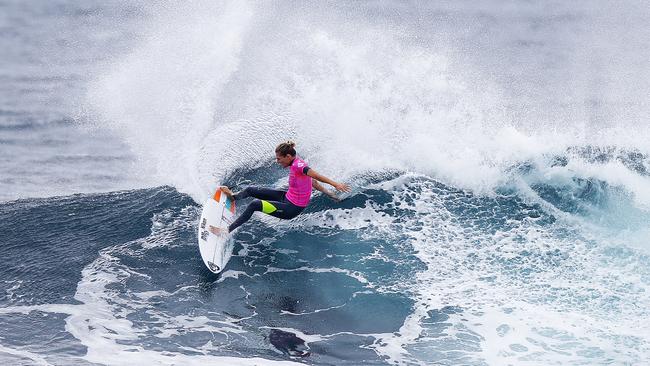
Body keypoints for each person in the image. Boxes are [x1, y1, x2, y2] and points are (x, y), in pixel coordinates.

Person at [209, 141, 351, 235]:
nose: (277, 161)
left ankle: (225, 231)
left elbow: (315, 175)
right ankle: (233, 197)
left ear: (288, 156)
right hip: (286, 197)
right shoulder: (295, 164)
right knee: (251, 190)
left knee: (255, 205)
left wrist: (335, 185)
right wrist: (330, 194)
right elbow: (312, 182)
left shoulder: (299, 166)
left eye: (279, 158)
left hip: (291, 209)